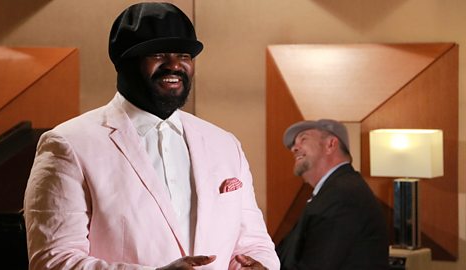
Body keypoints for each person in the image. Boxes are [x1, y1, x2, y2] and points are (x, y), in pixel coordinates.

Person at [23, 2, 279, 270]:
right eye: (158, 54)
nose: (174, 65)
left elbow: (254, 244)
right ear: (124, 63)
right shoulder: (68, 143)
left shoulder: (225, 144)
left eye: (184, 55)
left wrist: (259, 265)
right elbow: (53, 260)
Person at [275, 119, 389, 270]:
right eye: (294, 144)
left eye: (303, 139)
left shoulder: (344, 196)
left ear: (331, 144)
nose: (294, 148)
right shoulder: (333, 193)